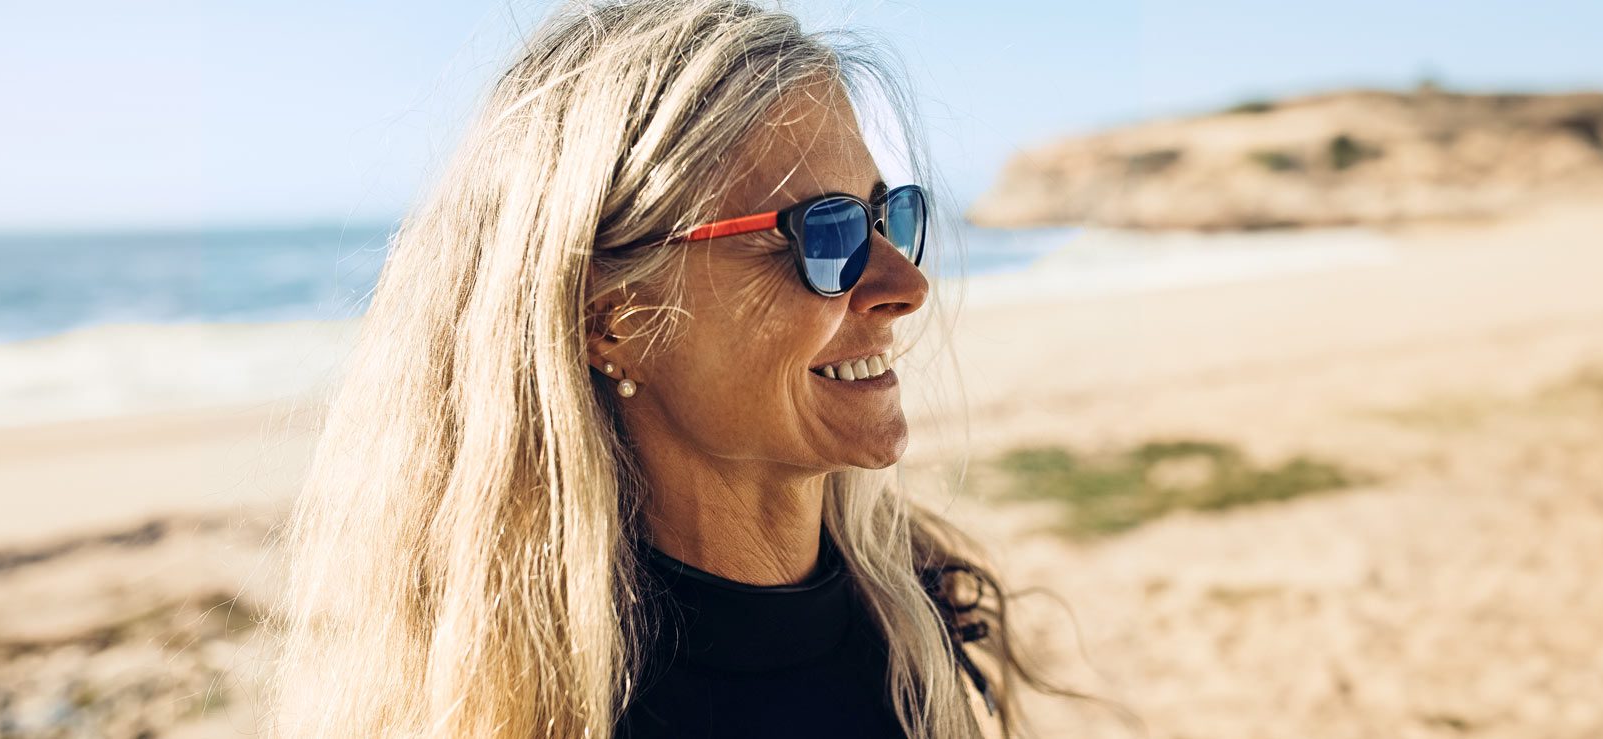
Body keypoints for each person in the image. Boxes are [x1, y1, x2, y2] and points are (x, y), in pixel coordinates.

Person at [270, 1, 1081, 736]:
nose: (905, 284)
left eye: (886, 216)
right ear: (608, 320)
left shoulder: (923, 608)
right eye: (822, 237)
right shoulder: (552, 715)